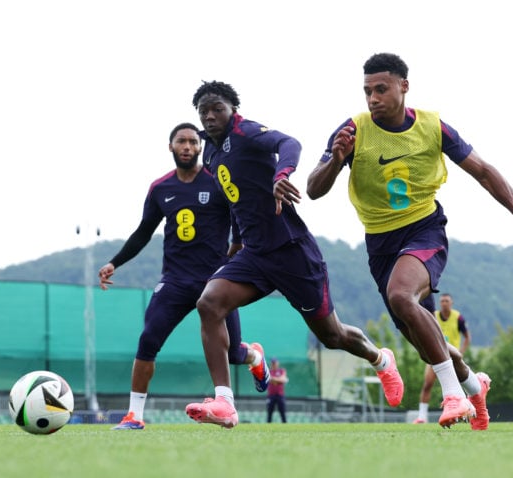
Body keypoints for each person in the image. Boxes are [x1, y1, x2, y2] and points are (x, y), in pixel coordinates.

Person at [307, 52, 513, 430]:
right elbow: (313, 189)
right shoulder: (353, 131)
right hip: (380, 245)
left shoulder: (433, 127)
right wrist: (336, 160)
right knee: (426, 342)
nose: (373, 98)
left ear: (404, 86)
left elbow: (484, 172)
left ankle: (452, 396)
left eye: (381, 89)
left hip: (424, 230)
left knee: (401, 296)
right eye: (367, 91)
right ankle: (474, 384)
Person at [184, 80, 404, 429]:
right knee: (209, 303)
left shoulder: (246, 132)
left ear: (232, 111)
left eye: (217, 109)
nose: (210, 116)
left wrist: (282, 174)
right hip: (255, 254)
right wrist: (237, 240)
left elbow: (290, 143)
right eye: (203, 111)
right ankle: (225, 403)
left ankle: (380, 359)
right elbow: (236, 197)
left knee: (332, 337)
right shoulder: (210, 153)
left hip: (292, 252)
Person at [98, 122, 270, 430]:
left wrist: (233, 256)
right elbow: (142, 233)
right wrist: (115, 263)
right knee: (148, 339)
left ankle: (254, 357)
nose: (188, 146)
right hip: (175, 281)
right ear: (171, 147)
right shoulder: (161, 188)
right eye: (182, 141)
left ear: (200, 147)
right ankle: (134, 415)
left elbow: (240, 222)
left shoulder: (218, 181)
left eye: (193, 141)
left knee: (233, 353)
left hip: (216, 282)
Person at [413, 293, 471, 423]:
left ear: (451, 303)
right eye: (442, 301)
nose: (444, 303)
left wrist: (461, 352)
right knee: (427, 384)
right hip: (435, 355)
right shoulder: (434, 316)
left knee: (461, 384)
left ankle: (468, 410)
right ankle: (422, 417)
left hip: (452, 357)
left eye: (447, 301)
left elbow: (467, 336)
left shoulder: (458, 318)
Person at [266, 357, 289, 423]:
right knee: (269, 413)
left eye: (275, 362)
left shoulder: (282, 370)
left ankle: (285, 426)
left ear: (277, 363)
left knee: (282, 412)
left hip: (280, 395)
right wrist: (279, 380)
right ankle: (268, 426)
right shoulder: (268, 371)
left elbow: (283, 379)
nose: (273, 364)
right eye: (272, 363)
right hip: (271, 395)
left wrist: (273, 379)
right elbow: (269, 379)